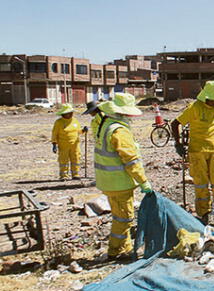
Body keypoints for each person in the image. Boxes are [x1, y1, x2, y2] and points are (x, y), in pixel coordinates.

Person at [94, 93, 152, 260]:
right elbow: (131, 160)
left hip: (108, 181)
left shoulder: (106, 124)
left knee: (119, 216)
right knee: (125, 218)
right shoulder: (119, 131)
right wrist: (143, 181)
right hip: (118, 182)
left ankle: (125, 248)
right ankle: (115, 251)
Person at [171, 81, 214, 226]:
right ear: (207, 97)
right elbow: (175, 123)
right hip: (197, 152)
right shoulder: (195, 108)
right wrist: (178, 143)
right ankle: (204, 214)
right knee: (201, 185)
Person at [51, 104, 84, 180]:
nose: (71, 114)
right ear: (63, 113)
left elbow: (78, 131)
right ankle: (64, 175)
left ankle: (75, 174)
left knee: (76, 159)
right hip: (63, 145)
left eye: (71, 112)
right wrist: (54, 144)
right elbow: (54, 133)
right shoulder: (59, 122)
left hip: (75, 145)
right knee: (64, 160)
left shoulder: (75, 120)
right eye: (69, 112)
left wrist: (83, 130)